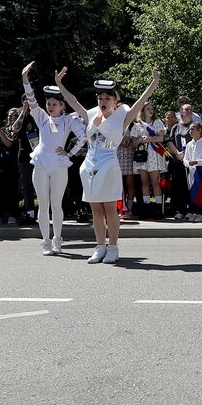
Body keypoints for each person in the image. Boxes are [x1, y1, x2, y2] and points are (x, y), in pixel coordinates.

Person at [54, 67, 159, 264]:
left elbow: (139, 103)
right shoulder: (91, 114)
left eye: (107, 99)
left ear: (115, 101)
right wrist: (60, 84)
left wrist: (153, 83)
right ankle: (99, 247)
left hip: (109, 163)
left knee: (110, 209)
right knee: (96, 211)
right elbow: (73, 102)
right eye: (100, 98)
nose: (103, 102)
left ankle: (113, 247)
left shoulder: (123, 116)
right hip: (90, 165)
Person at [21, 62, 87, 255]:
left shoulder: (69, 120)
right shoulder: (41, 117)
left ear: (62, 106)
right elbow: (32, 100)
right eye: (49, 103)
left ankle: (58, 238)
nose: (50, 107)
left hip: (59, 165)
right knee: (43, 203)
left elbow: (83, 137)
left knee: (56, 204)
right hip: (40, 163)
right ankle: (46, 241)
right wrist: (25, 79)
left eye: (54, 104)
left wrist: (70, 152)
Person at [135, 100, 169, 221]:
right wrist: (140, 140)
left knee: (155, 182)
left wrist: (148, 138)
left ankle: (158, 209)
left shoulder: (158, 122)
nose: (151, 110)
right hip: (143, 156)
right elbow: (134, 142)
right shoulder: (138, 124)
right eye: (148, 108)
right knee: (144, 183)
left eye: (152, 109)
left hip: (154, 155)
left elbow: (160, 138)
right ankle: (146, 207)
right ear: (143, 111)